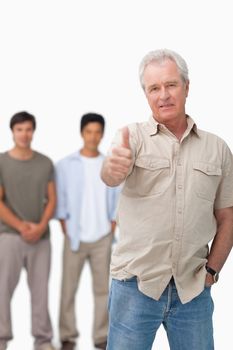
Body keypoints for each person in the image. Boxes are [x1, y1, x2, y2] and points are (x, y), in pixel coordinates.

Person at [101, 49, 233, 350]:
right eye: (154, 88)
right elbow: (110, 176)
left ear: (187, 86)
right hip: (134, 287)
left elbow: (227, 216)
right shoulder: (131, 138)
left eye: (171, 85)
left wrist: (212, 270)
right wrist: (112, 167)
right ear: (145, 94)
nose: (163, 95)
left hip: (193, 291)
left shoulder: (218, 149)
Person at [55, 113, 120, 350]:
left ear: (102, 134)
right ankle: (67, 336)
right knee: (68, 288)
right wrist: (66, 229)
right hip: (74, 237)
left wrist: (111, 227)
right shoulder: (65, 165)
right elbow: (60, 202)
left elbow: (117, 201)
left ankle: (101, 336)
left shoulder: (109, 164)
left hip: (103, 237)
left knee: (103, 289)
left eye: (97, 132)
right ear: (82, 133)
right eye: (88, 131)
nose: (93, 136)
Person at [0, 112, 57, 350]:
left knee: (40, 292)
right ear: (12, 132)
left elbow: (52, 199)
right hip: (10, 236)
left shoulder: (45, 163)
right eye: (19, 129)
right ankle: (1, 338)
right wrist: (21, 226)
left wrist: (42, 225)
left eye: (28, 129)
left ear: (34, 131)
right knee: (2, 289)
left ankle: (43, 340)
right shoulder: (2, 161)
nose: (24, 134)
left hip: (41, 238)